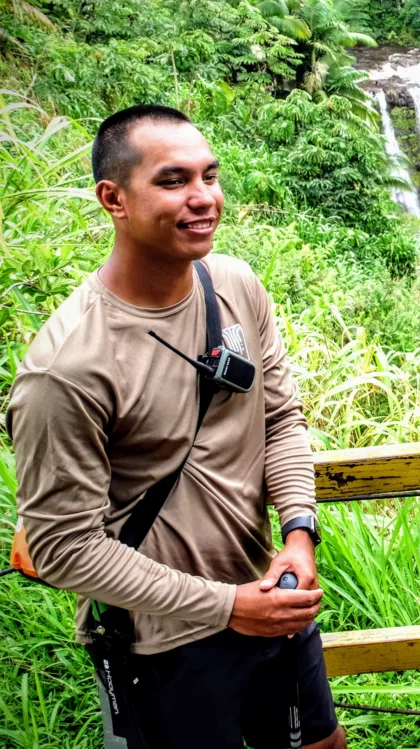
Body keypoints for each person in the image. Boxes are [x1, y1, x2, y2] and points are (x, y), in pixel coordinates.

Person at [7, 106, 346, 749]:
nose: (203, 199)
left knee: (322, 745)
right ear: (114, 198)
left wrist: (299, 534)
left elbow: (280, 417)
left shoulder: (234, 285)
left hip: (275, 594)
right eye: (172, 181)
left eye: (209, 176)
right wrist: (228, 607)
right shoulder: (69, 368)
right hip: (163, 640)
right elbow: (62, 548)